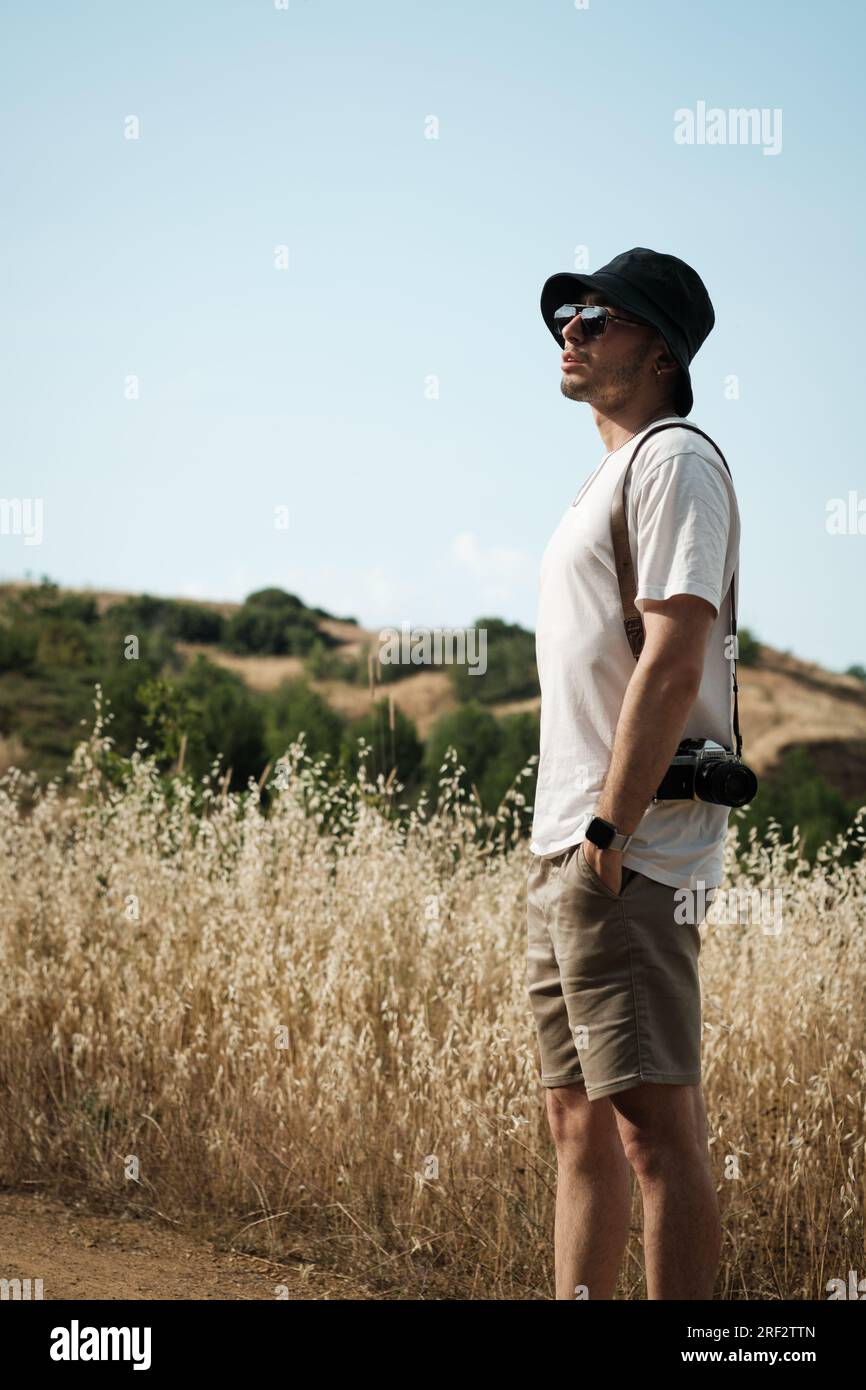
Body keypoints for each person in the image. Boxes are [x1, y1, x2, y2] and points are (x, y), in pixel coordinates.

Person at [527, 247, 741, 1299]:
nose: (570, 329)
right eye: (564, 315)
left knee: (653, 1131)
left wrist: (607, 839)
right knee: (577, 1127)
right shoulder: (600, 479)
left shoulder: (673, 460)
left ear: (658, 349)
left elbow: (673, 653)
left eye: (595, 316)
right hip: (567, 847)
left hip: (632, 848)